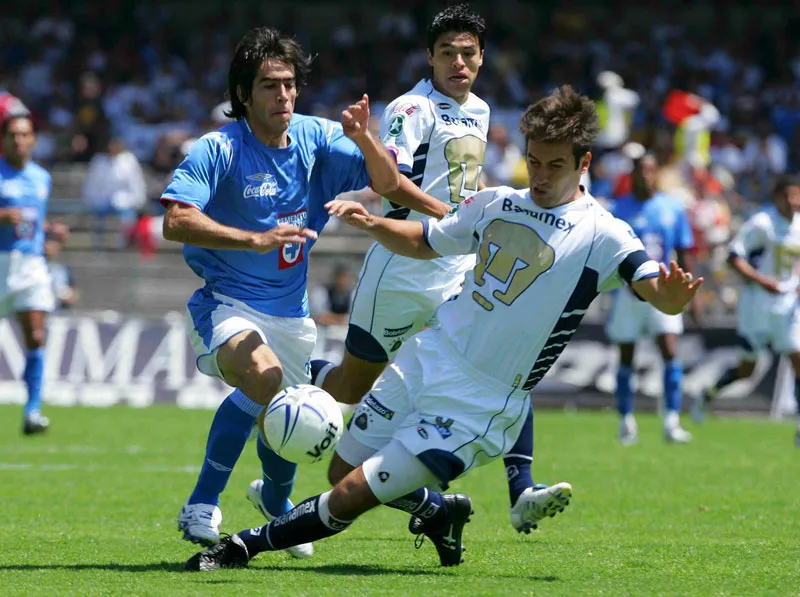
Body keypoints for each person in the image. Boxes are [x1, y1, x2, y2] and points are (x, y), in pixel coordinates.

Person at [185, 85, 702, 571]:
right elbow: (425, 240)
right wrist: (372, 224)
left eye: (556, 166)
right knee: (341, 468)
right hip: (425, 359)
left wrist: (670, 299)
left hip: (480, 402)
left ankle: (240, 547)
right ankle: (439, 512)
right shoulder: (500, 201)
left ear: (584, 163)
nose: (541, 176)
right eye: (535, 162)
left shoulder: (605, 234)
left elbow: (652, 283)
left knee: (351, 495)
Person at [161, 26, 440, 557]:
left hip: (291, 315)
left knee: (289, 410)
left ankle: (276, 501)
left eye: (289, 84)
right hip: (228, 302)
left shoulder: (315, 137)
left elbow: (385, 181)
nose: (284, 95)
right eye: (269, 85)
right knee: (266, 381)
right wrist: (253, 238)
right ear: (243, 93)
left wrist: (364, 140)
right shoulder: (219, 149)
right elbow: (176, 221)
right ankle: (202, 503)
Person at [306, 3, 568, 535]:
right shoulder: (411, 108)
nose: (457, 62)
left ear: (482, 57)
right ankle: (293, 377)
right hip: (401, 268)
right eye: (446, 52)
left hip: (459, 268)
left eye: (467, 53)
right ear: (429, 56)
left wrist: (469, 224)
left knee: (503, 362)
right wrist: (450, 216)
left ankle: (522, 489)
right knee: (351, 389)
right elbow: (388, 182)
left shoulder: (483, 109)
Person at [694, 176, 800, 445]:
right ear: (776, 197)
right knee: (747, 370)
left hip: (788, 306)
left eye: (796, 196)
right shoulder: (761, 223)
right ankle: (707, 394)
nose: (792, 202)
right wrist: (764, 282)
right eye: (787, 196)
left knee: (798, 359)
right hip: (757, 306)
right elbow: (734, 257)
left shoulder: (798, 225)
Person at [605, 152, 697, 445]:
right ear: (631, 174)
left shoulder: (672, 208)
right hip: (628, 293)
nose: (645, 176)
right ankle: (625, 421)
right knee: (626, 357)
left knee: (670, 351)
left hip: (662, 291)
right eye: (639, 171)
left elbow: (683, 252)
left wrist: (689, 291)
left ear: (657, 173)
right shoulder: (618, 209)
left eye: (650, 170)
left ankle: (671, 420)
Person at [0, 114, 56, 435]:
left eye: (24, 134)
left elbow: (33, 221)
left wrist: (50, 233)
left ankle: (32, 411)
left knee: (36, 335)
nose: (18, 140)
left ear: (33, 139)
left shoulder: (41, 178)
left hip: (30, 265)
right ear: (4, 139)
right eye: (12, 134)